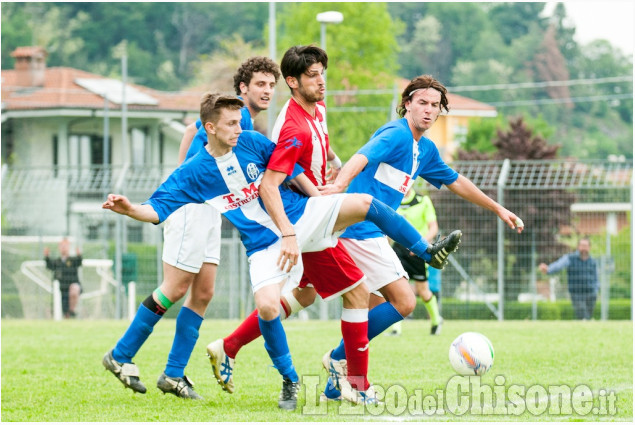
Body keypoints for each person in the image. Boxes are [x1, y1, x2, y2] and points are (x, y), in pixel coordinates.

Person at [102, 92, 447, 410]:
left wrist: (323, 201)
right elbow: (156, 209)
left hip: (300, 219)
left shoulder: (253, 142)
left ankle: (426, 252)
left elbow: (291, 171)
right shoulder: (193, 173)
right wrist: (130, 208)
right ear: (209, 128)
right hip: (264, 245)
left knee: (365, 208)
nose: (241, 128)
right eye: (232, 123)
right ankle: (290, 380)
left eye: (240, 121)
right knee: (269, 306)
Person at [206, 48, 462, 405]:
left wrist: (332, 168)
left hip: (311, 217)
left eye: (322, 72)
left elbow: (317, 154)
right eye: (313, 75)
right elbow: (281, 173)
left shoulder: (317, 109)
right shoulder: (291, 126)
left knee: (310, 295)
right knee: (369, 230)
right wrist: (325, 194)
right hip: (299, 220)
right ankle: (351, 374)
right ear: (293, 83)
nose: (321, 80)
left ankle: (233, 347)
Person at [317, 74, 525, 401]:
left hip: (371, 233)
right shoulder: (396, 133)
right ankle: (343, 366)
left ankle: (342, 373)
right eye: (422, 103)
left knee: (374, 307)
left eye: (435, 106)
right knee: (403, 301)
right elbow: (362, 156)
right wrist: (340, 185)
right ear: (407, 104)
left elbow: (456, 181)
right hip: (357, 230)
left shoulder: (424, 149)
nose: (429, 110)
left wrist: (498, 208)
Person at [102, 57, 281, 400]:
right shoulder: (235, 116)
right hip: (193, 208)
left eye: (271, 85)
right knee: (175, 288)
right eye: (260, 84)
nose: (267, 91)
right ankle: (121, 355)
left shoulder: (238, 122)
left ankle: (172, 374)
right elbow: (197, 148)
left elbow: (189, 131)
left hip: (211, 209)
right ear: (243, 88)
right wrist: (183, 182)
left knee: (203, 293)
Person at [389, 188, 443, 336]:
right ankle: (396, 328)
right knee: (397, 289)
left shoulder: (423, 200)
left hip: (418, 251)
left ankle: (436, 321)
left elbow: (433, 227)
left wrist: (421, 244)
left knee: (423, 291)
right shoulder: (394, 201)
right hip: (399, 250)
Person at [539, 237, 599, 320]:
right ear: (578, 247)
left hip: (590, 292)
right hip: (576, 292)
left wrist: (596, 289)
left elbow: (596, 277)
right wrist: (548, 269)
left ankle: (585, 327)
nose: (584, 248)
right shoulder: (570, 258)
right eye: (582, 245)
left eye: (585, 246)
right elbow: (558, 265)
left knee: (588, 314)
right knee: (581, 312)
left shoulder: (593, 261)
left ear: (589, 247)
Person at [44, 237, 82, 319]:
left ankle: (71, 311)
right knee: (61, 311)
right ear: (59, 247)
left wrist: (79, 255)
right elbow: (49, 266)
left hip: (71, 287)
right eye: (62, 246)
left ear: (69, 247)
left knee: (75, 288)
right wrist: (46, 256)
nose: (63, 247)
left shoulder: (73, 260)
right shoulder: (57, 262)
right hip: (61, 289)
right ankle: (66, 315)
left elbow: (79, 262)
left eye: (65, 245)